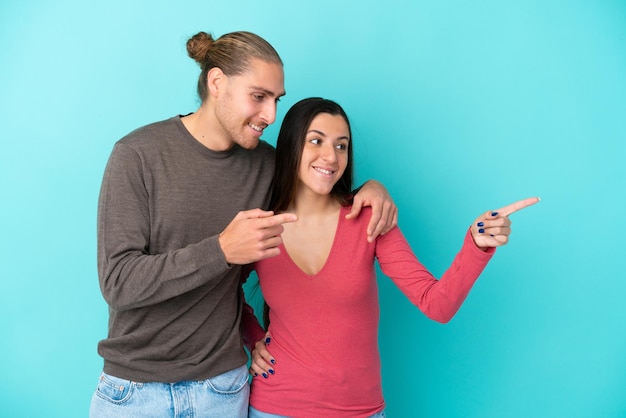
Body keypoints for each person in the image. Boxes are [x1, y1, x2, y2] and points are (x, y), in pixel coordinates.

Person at [89, 32, 397, 418]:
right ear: (217, 83)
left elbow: (323, 187)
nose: (270, 115)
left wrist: (373, 188)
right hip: (135, 391)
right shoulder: (137, 156)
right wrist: (220, 250)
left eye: (276, 100)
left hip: (224, 388)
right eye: (259, 97)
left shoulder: (267, 166)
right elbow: (118, 282)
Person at [241, 97, 540, 418]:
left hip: (359, 410)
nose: (330, 156)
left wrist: (476, 244)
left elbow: (436, 304)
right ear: (290, 147)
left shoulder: (369, 218)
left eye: (342, 146)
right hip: (274, 407)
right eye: (316, 141)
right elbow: (220, 295)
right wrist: (254, 337)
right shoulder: (260, 226)